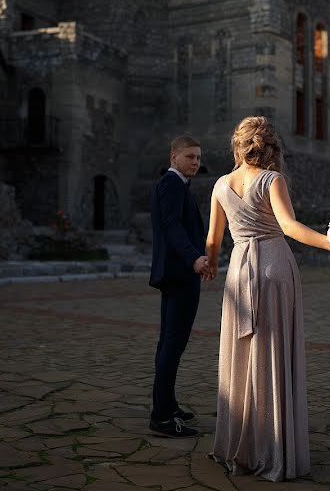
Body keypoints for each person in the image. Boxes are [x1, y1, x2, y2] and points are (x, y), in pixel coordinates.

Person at [206, 116, 330, 481]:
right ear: (272, 148)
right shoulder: (272, 179)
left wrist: (210, 266)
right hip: (274, 267)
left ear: (237, 146)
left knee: (241, 357)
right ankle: (272, 448)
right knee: (273, 354)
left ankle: (240, 446)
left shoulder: (219, 185)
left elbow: (212, 241)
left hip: (239, 269)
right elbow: (289, 227)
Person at [148, 135, 215, 438]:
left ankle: (168, 404)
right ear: (174, 156)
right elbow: (172, 226)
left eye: (199, 159)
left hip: (180, 273)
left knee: (171, 344)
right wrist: (194, 260)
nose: (196, 163)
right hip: (178, 274)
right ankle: (162, 417)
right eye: (190, 157)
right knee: (172, 345)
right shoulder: (171, 184)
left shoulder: (178, 185)